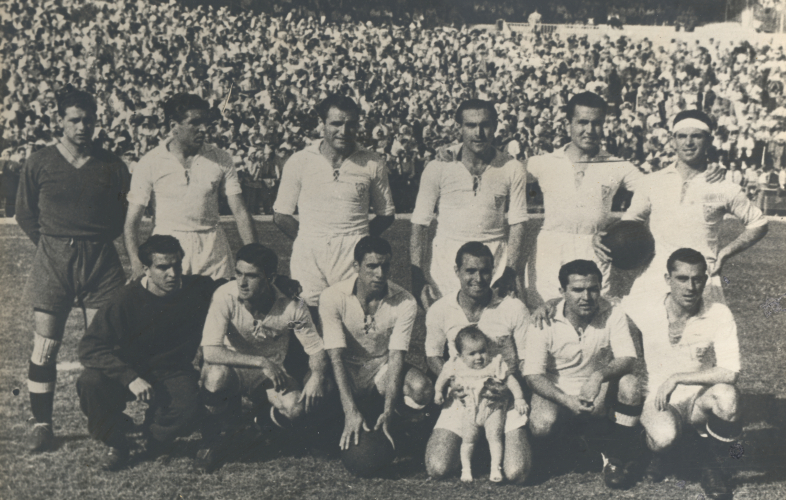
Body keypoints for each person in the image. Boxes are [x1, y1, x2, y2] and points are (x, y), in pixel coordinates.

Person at [15, 89, 130, 452]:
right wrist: (52, 244)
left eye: (88, 120)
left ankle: (106, 417)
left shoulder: (112, 164)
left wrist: (91, 240)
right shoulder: (40, 162)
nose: (82, 126)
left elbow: (119, 216)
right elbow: (25, 212)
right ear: (59, 122)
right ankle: (42, 424)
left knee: (104, 346)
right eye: (74, 120)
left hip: (101, 263)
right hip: (53, 260)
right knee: (46, 345)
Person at [77, 235, 221, 471]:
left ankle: (152, 435)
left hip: (172, 370)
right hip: (130, 369)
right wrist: (129, 378)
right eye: (163, 267)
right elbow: (90, 347)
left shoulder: (199, 288)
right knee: (91, 382)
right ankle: (117, 443)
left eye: (176, 264)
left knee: (188, 409)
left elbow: (233, 286)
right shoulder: (123, 300)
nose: (172, 274)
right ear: (146, 269)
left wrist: (281, 284)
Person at [196, 243, 330, 472]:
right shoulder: (225, 296)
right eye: (238, 273)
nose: (242, 282)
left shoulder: (291, 307)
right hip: (233, 368)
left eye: (252, 276)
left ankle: (259, 424)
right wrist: (261, 362)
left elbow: (315, 349)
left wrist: (317, 375)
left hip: (271, 375)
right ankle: (215, 436)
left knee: (295, 408)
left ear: (271, 277)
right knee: (215, 374)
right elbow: (210, 351)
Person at [623, 249, 743, 499]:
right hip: (661, 399)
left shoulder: (719, 312)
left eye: (698, 278)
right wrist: (549, 306)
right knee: (665, 437)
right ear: (668, 279)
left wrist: (677, 377)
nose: (691, 287)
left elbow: (730, 371)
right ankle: (658, 453)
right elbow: (604, 307)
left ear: (706, 279)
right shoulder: (644, 307)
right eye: (682, 278)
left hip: (699, 402)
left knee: (727, 396)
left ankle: (712, 468)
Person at [615, 110, 768, 304]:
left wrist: (723, 254)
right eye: (682, 136)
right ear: (673, 140)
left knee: (702, 333)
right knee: (640, 329)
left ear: (708, 140)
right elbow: (630, 222)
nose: (688, 143)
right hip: (655, 274)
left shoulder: (723, 186)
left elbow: (758, 223)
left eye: (696, 136)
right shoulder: (652, 181)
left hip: (701, 278)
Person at [523, 259, 643, 489]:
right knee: (541, 423)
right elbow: (533, 376)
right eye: (577, 290)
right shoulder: (543, 319)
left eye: (593, 289)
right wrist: (565, 399)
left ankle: (616, 457)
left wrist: (598, 376)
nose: (586, 297)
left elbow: (628, 358)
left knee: (630, 385)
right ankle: (574, 448)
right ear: (562, 292)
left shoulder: (613, 312)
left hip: (595, 385)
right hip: (557, 388)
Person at [273, 95, 395, 322]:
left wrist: (361, 239)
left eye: (350, 124)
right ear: (323, 124)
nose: (344, 130)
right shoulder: (300, 161)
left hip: (353, 250)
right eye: (336, 123)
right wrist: (308, 238)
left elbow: (386, 214)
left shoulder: (372, 162)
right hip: (309, 252)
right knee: (308, 319)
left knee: (351, 318)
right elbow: (281, 215)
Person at [424, 241, 531, 484]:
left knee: (517, 473)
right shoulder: (440, 309)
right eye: (470, 271)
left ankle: (500, 440)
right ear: (457, 271)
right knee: (437, 468)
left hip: (503, 401)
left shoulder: (513, 307)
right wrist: (451, 384)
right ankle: (477, 443)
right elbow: (432, 355)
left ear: (494, 271)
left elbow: (527, 360)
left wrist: (511, 392)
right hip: (463, 401)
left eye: (485, 271)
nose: (478, 278)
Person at [320, 236, 432, 460]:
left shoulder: (405, 301)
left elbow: (397, 356)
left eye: (385, 266)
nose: (380, 274)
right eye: (371, 266)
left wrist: (389, 410)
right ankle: (326, 434)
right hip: (346, 367)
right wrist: (350, 409)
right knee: (316, 387)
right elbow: (335, 357)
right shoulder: (332, 296)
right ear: (356, 266)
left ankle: (397, 428)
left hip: (381, 366)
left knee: (421, 388)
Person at [125, 93, 257, 281]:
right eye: (195, 123)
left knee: (217, 308)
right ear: (173, 126)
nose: (203, 129)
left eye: (205, 122)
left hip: (213, 251)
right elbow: (132, 222)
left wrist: (255, 259)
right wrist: (137, 264)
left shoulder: (221, 158)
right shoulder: (149, 162)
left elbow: (241, 212)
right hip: (167, 250)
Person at [411, 99, 529, 308]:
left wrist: (510, 270)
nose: (478, 133)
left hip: (494, 259)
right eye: (471, 125)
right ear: (459, 127)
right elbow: (420, 223)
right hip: (446, 260)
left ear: (494, 126)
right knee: (450, 331)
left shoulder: (512, 168)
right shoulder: (438, 167)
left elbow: (518, 223)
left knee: (496, 332)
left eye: (485, 125)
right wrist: (416, 274)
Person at [433, 326, 528, 483]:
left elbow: (510, 380)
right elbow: (442, 379)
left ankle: (495, 468)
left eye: (482, 351)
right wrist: (438, 392)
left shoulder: (494, 363)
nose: (479, 357)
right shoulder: (455, 364)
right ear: (461, 355)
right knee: (468, 440)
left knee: (494, 437)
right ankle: (466, 469)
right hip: (469, 408)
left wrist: (519, 398)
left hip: (492, 408)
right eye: (472, 354)